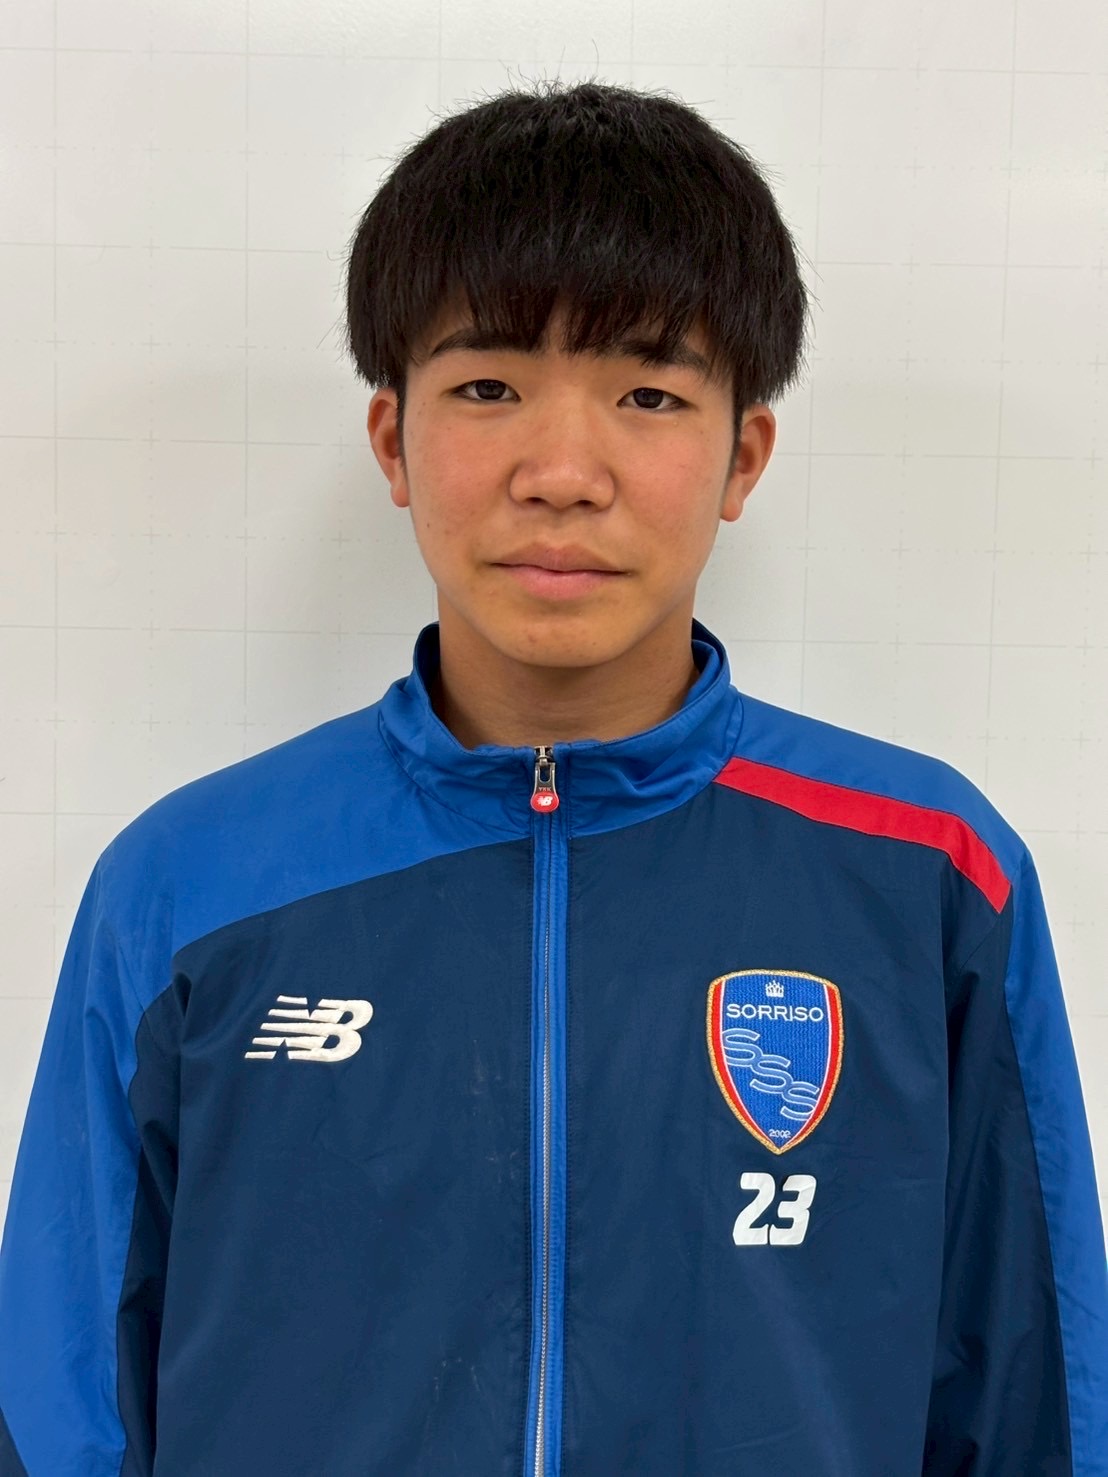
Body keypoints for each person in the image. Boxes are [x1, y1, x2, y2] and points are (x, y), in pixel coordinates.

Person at [0, 76, 1105, 1477]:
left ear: (743, 456)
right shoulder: (187, 887)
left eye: (648, 393)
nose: (564, 470)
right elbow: (60, 1407)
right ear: (394, 441)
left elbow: (1037, 1400)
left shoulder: (931, 874)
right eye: (488, 387)